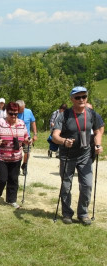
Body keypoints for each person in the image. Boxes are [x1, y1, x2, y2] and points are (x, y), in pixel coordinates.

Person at [52, 86, 103, 226]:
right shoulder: (64, 115)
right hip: (67, 154)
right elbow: (55, 135)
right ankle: (67, 213)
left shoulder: (92, 114)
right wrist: (63, 141)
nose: (81, 99)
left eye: (84, 96)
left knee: (87, 185)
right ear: (71, 99)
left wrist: (98, 144)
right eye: (78, 97)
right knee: (66, 185)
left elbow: (99, 130)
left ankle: (83, 213)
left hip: (85, 154)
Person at [0, 102, 31, 209]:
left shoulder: (21, 124)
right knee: (2, 178)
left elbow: (26, 137)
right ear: (7, 112)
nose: (13, 116)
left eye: (15, 114)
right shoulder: (0, 123)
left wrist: (28, 141)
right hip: (1, 156)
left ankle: (11, 200)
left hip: (16, 157)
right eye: (11, 113)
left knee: (13, 178)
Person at [16, 100, 38, 175]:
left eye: (23, 108)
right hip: (16, 137)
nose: (22, 110)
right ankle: (16, 167)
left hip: (26, 136)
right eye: (21, 109)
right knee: (17, 153)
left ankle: (24, 165)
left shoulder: (29, 111)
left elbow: (33, 122)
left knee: (27, 153)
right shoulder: (13, 113)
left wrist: (35, 134)